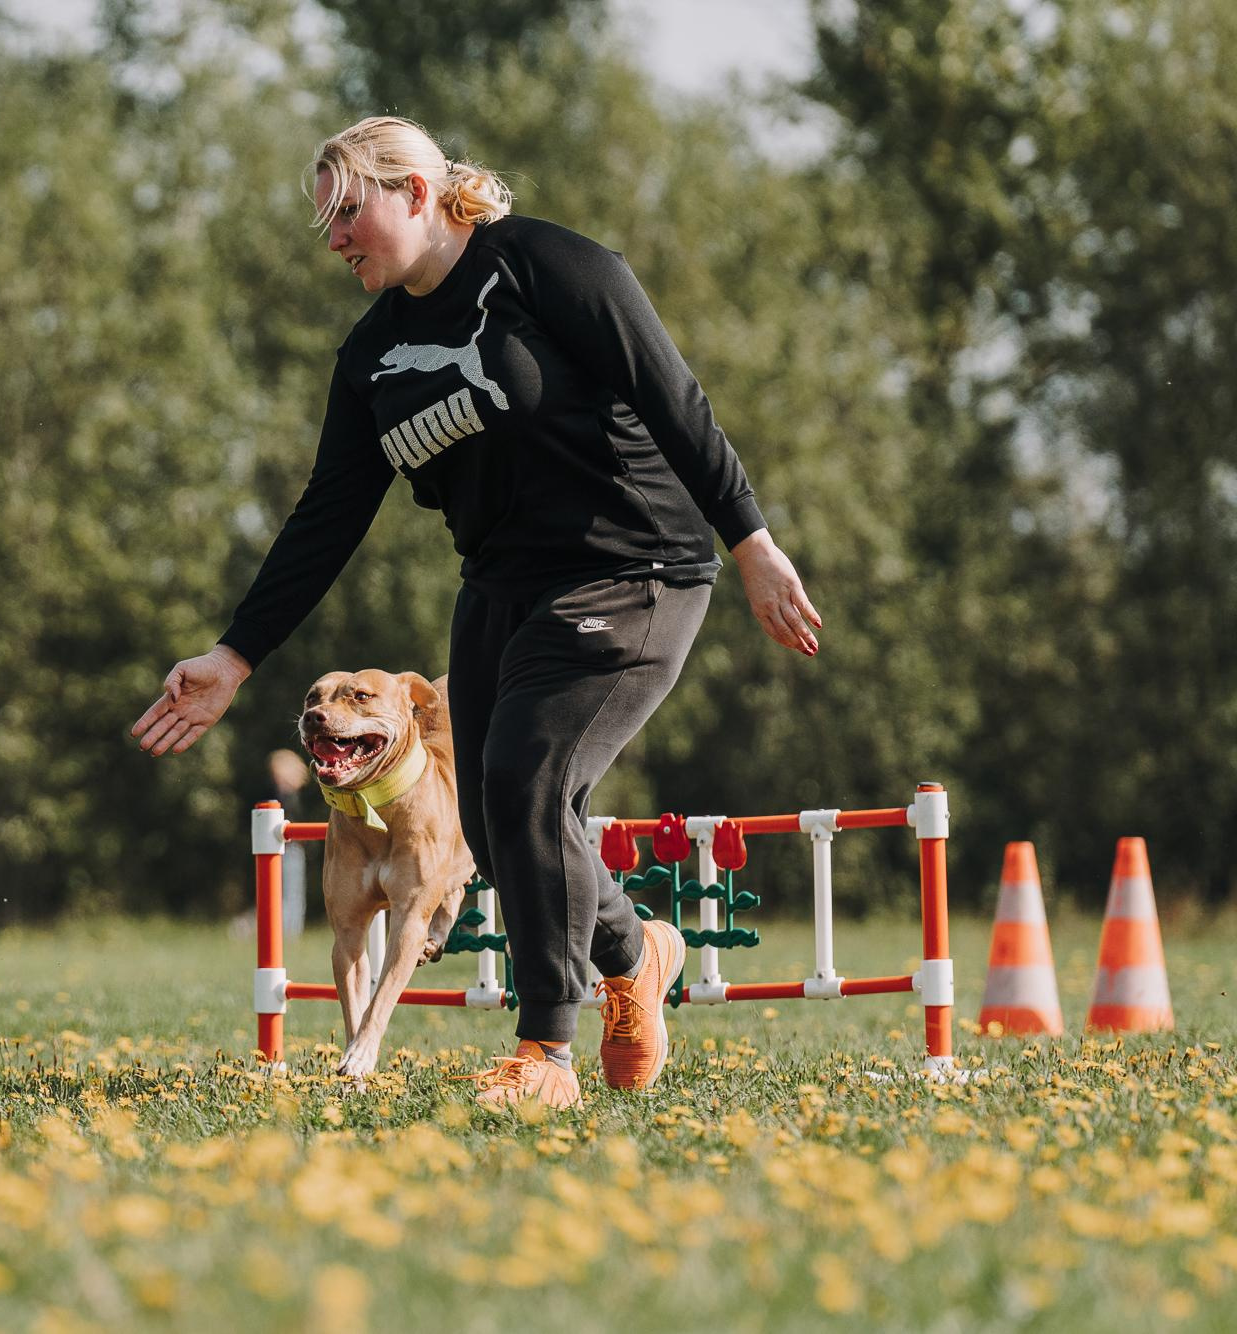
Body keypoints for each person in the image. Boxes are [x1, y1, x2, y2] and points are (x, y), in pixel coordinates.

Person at [130, 116, 821, 1109]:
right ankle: (637, 956)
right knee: (497, 833)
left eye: (346, 210)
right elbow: (326, 515)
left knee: (522, 773)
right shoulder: (369, 355)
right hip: (501, 588)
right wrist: (235, 655)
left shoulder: (544, 266)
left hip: (635, 571)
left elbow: (673, 397)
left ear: (414, 191)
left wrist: (748, 542)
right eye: (321, 220)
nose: (331, 237)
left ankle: (543, 1053)